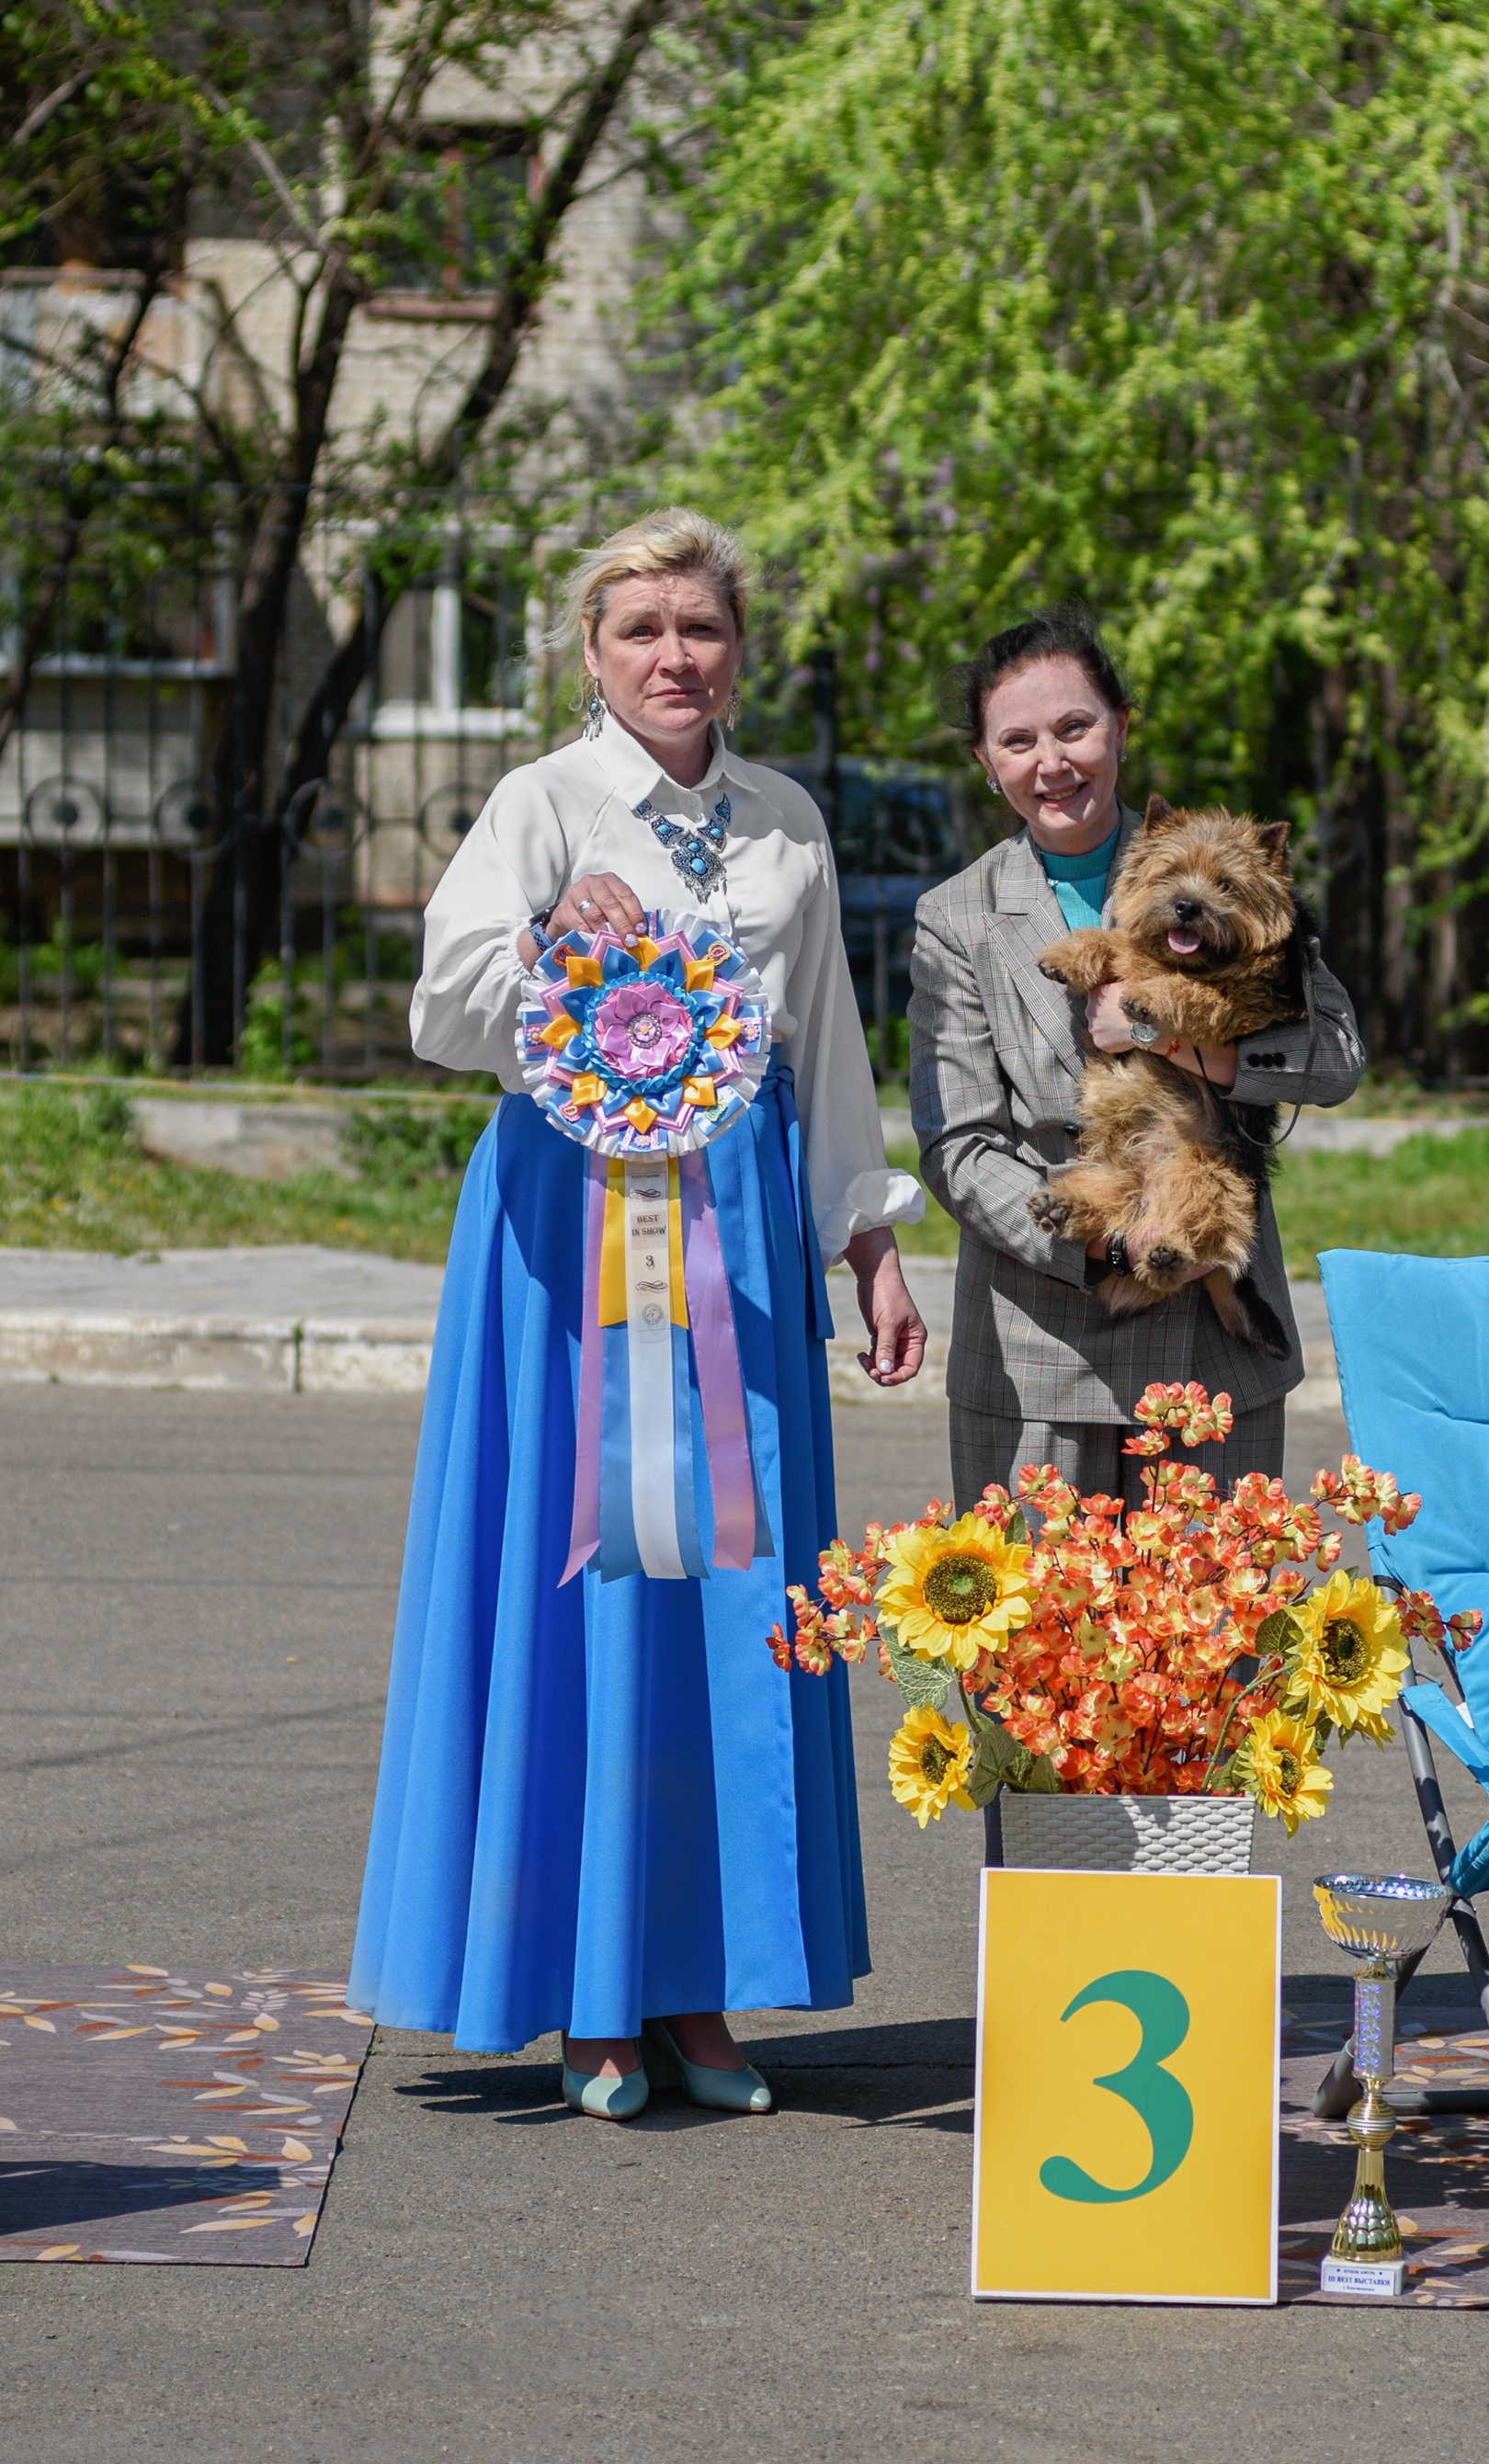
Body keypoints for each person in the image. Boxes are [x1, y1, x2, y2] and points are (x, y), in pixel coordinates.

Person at [347, 509, 926, 2122]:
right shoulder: (543, 800)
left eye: (701, 628)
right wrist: (544, 941)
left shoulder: (787, 820)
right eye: (640, 630)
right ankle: (589, 1993)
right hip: (571, 1243)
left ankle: (699, 1984)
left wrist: (867, 1243)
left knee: (730, 1601)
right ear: (591, 653)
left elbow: (825, 1043)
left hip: (738, 1239)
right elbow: (441, 1005)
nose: (675, 656)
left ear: (740, 646)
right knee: (590, 1600)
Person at [909, 607, 1363, 1511]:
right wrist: (1115, 1245)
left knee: (1209, 1649)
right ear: (985, 763)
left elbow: (1334, 1059)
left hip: (1211, 1354)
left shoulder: (1222, 871)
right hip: (1038, 1360)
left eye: (1075, 727)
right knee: (1036, 1651)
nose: (1052, 761)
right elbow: (958, 1149)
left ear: (1122, 725)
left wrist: (1164, 1037)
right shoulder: (955, 918)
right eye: (1018, 740)